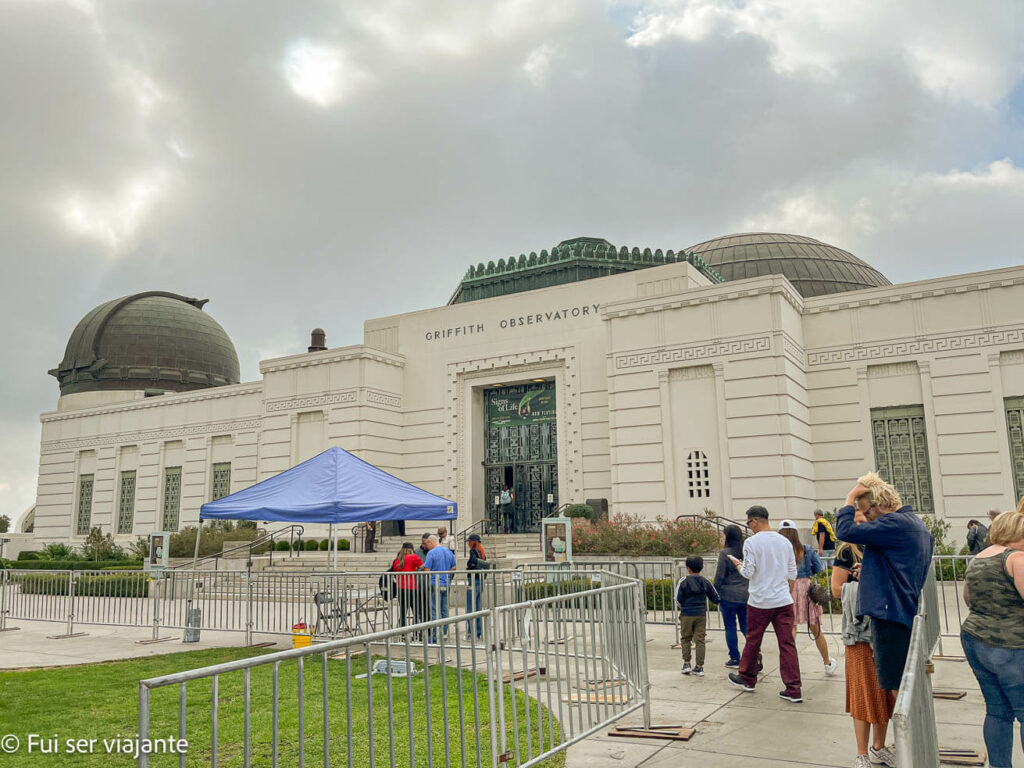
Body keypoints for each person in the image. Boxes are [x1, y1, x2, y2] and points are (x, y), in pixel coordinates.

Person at [835, 472, 933, 694]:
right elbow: (901, 564)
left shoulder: (893, 523)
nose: (867, 518)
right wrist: (871, 570)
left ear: (880, 504)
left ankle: (905, 729)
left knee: (897, 685)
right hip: (901, 608)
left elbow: (844, 531)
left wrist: (850, 498)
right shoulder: (912, 523)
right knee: (902, 680)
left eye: (867, 511)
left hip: (891, 612)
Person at [960, 507, 1024, 768]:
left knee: (997, 711)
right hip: (1010, 645)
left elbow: (967, 597)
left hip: (975, 640)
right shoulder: (1016, 558)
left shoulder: (978, 558)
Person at [727, 506, 803, 704]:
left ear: (754, 521)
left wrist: (737, 565)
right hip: (783, 600)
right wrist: (788, 593)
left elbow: (748, 572)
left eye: (749, 523)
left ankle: (747, 678)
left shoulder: (751, 542)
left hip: (760, 601)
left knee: (753, 641)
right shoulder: (784, 541)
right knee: (787, 644)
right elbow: (792, 572)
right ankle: (794, 688)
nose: (749, 527)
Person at [831, 542, 896, 768]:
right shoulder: (847, 551)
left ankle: (879, 747)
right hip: (860, 632)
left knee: (885, 691)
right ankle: (862, 753)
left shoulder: (884, 543)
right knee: (863, 691)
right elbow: (837, 589)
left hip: (886, 627)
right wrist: (866, 583)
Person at [779, 520, 837, 676]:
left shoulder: (780, 551)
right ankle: (827, 663)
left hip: (787, 588)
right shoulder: (805, 549)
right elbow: (820, 567)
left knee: (791, 628)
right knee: (815, 628)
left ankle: (791, 667)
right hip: (806, 589)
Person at [675, 555, 720, 676]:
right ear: (701, 568)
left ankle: (686, 664)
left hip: (686, 614)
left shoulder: (683, 581)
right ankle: (699, 667)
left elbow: (677, 599)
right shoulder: (705, 581)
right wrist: (716, 602)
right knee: (700, 640)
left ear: (687, 568)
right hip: (701, 614)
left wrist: (682, 607)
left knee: (685, 639)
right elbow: (714, 595)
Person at [713, 524, 749, 667]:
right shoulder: (746, 552)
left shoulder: (725, 553)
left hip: (728, 595)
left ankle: (735, 657)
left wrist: (714, 594)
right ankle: (755, 654)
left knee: (730, 627)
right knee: (746, 627)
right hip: (746, 594)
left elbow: (719, 576)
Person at [421, 534, 456, 641]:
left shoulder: (431, 553)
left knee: (435, 609)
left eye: (427, 544)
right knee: (444, 609)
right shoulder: (448, 552)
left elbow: (427, 569)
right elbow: (453, 568)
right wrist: (449, 579)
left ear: (431, 542)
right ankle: (444, 633)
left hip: (434, 583)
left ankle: (436, 635)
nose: (427, 546)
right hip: (446, 583)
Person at [392, 543, 424, 629]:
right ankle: (416, 630)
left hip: (400, 587)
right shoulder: (413, 557)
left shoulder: (397, 560)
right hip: (411, 587)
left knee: (403, 611)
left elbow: (394, 570)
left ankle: (402, 631)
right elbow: (423, 567)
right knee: (416, 610)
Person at [465, 533, 488, 639]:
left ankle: (471, 632)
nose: (468, 544)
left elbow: (473, 562)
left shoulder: (473, 551)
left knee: (470, 607)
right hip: (480, 580)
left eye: (469, 541)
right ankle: (478, 632)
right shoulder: (482, 551)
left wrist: (469, 566)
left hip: (474, 580)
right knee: (478, 607)